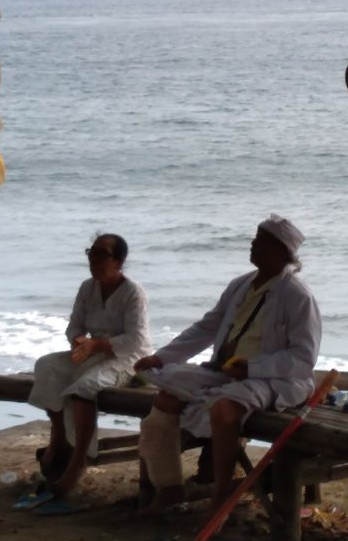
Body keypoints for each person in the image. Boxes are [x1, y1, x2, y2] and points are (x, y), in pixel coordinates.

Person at [133, 214, 321, 518]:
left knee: (224, 410)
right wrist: (163, 357)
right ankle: (168, 488)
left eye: (260, 241)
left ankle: (221, 496)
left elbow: (303, 358)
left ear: (279, 250)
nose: (252, 244)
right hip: (225, 371)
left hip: (275, 379)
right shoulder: (240, 285)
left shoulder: (298, 296)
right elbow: (208, 327)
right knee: (164, 400)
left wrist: (252, 368)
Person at [28, 233, 151, 496]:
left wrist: (97, 344)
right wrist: (78, 339)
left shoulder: (132, 292)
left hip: (126, 359)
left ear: (119, 261)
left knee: (85, 388)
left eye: (101, 254)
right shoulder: (87, 287)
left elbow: (136, 339)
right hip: (92, 352)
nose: (93, 259)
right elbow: (74, 324)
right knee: (47, 366)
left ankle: (78, 461)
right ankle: (59, 438)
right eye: (91, 252)